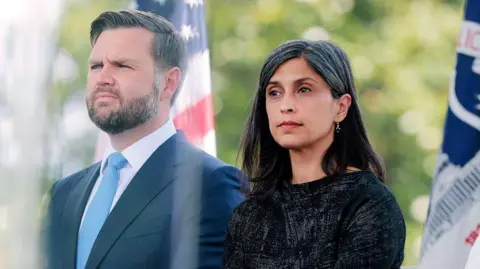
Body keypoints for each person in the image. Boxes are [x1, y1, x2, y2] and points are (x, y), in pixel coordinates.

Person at [43, 10, 244, 269]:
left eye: (122, 65)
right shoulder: (64, 193)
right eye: (96, 66)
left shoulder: (210, 184)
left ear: (168, 83)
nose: (103, 77)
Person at [222, 40, 406, 268]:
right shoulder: (249, 215)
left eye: (304, 90)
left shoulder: (369, 204)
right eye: (275, 92)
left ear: (341, 107)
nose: (286, 105)